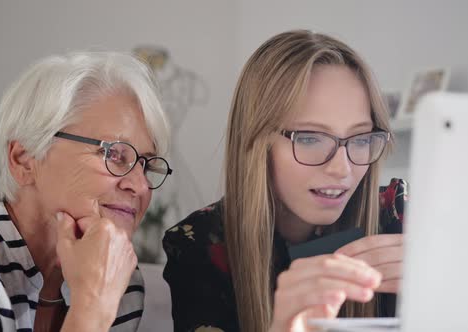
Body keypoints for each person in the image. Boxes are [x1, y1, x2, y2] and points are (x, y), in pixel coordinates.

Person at [163, 30, 408, 332]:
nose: (341, 168)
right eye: (309, 138)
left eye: (360, 138)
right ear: (257, 141)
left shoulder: (399, 218)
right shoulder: (198, 246)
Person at [0, 52, 173, 331]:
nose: (141, 186)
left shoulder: (118, 276)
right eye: (115, 154)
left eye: (147, 165)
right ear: (24, 159)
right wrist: (93, 305)